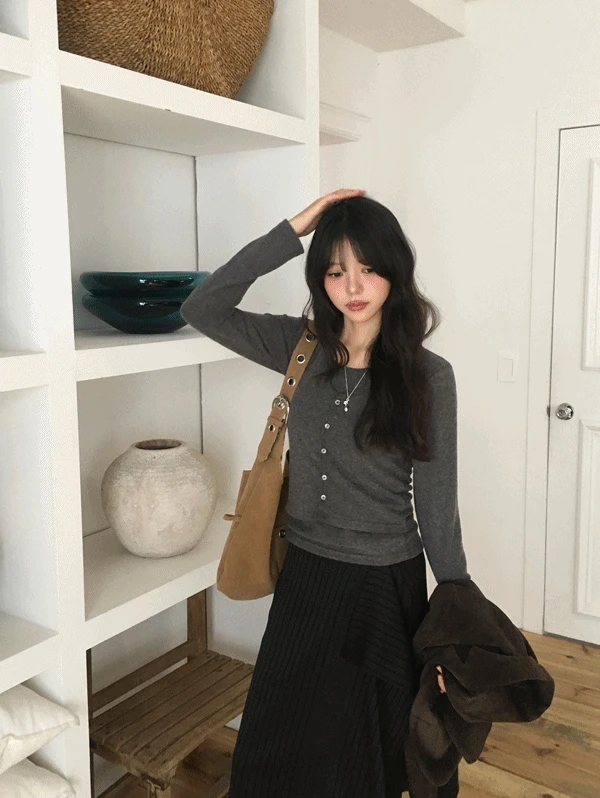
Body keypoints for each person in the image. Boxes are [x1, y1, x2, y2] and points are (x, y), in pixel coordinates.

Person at [179, 189, 470, 797]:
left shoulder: (428, 376)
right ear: (320, 278)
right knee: (278, 732)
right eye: (336, 271)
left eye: (368, 268)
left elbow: (437, 508)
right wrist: (293, 230)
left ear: (395, 270)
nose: (353, 286)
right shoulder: (300, 347)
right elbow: (203, 307)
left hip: (383, 581)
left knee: (365, 747)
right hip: (307, 572)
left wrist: (455, 616)